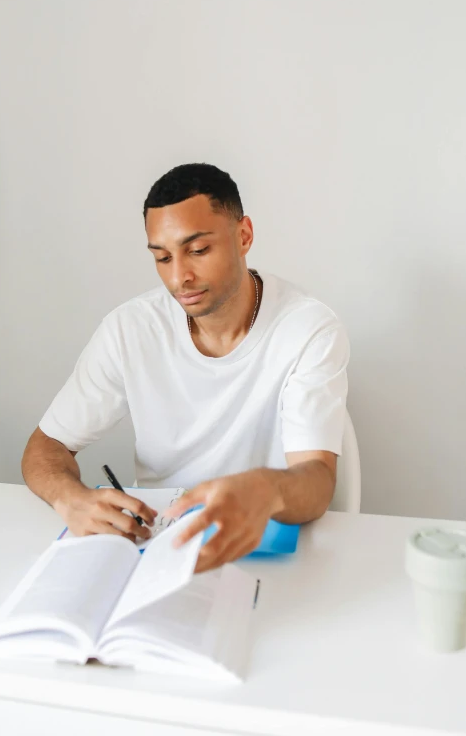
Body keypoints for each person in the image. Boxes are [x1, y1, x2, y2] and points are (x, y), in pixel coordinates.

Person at [22, 162, 349, 573]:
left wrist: (265, 489)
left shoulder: (308, 328)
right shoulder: (130, 329)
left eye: (197, 251)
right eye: (162, 257)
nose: (179, 277)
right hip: (158, 549)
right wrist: (71, 498)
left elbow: (317, 480)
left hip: (265, 549)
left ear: (243, 235)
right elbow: (44, 448)